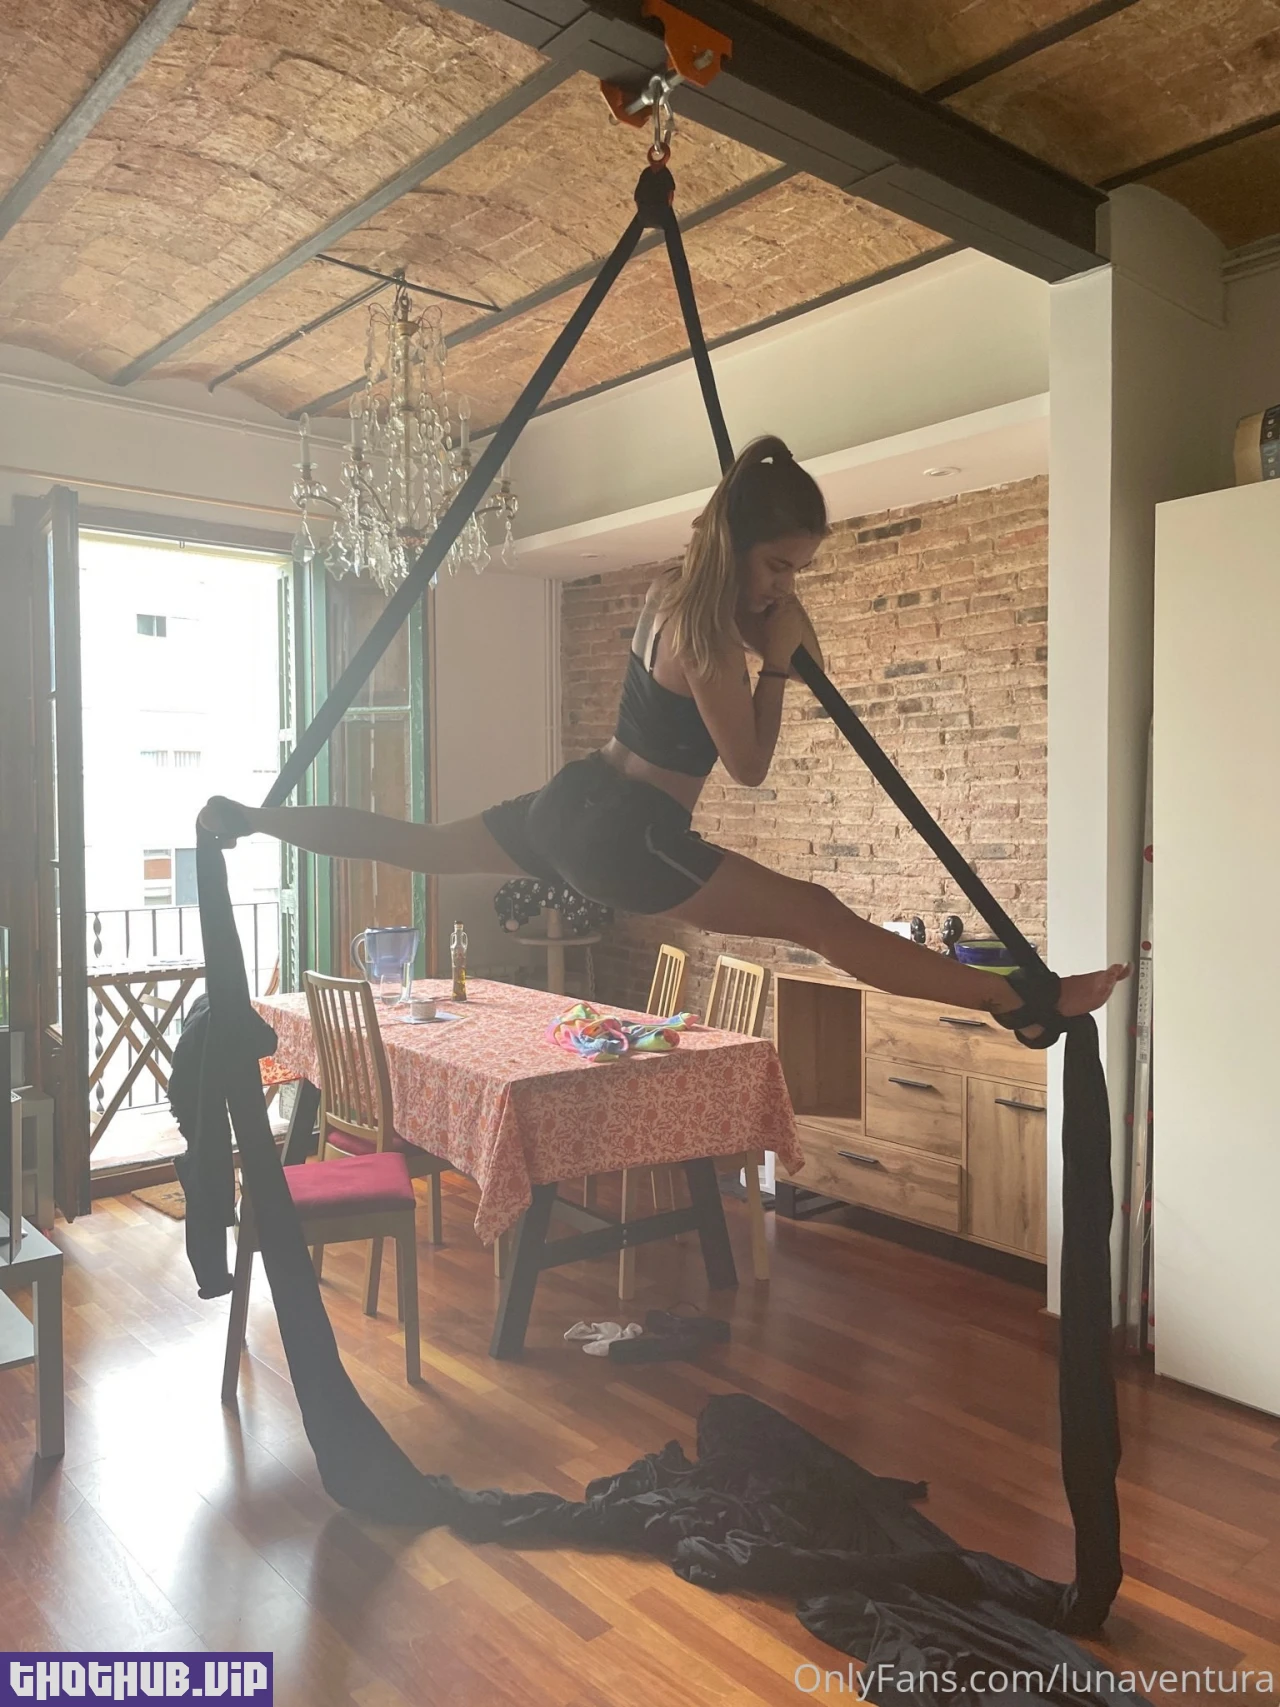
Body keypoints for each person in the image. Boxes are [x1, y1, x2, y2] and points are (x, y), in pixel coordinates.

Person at [201, 436, 1128, 1032]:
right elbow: (750, 764)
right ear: (739, 546)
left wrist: (774, 630)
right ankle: (1020, 998)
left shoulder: (666, 596)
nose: (784, 585)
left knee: (424, 845)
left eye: (797, 570)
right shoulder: (710, 631)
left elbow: (748, 655)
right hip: (630, 832)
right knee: (816, 913)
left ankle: (255, 818)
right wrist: (777, 666)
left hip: (576, 799)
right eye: (779, 565)